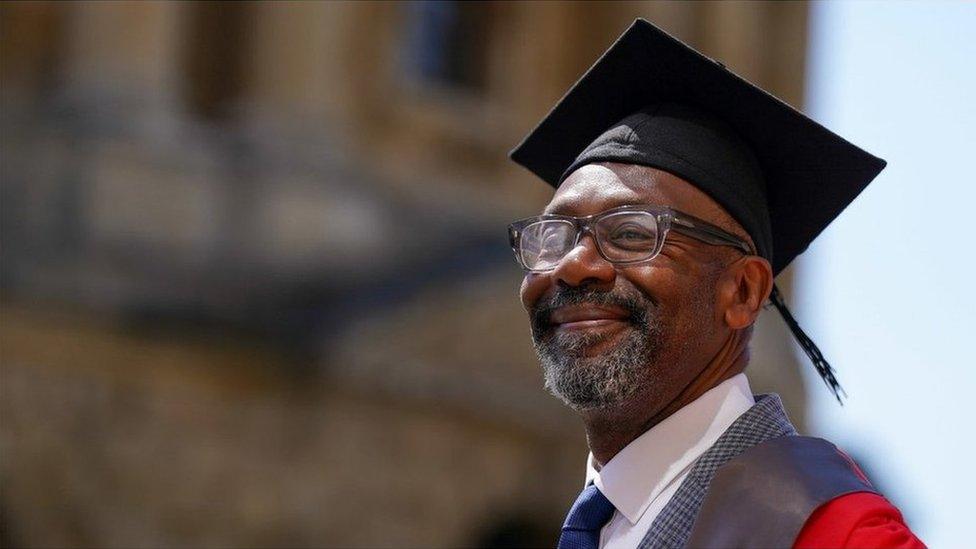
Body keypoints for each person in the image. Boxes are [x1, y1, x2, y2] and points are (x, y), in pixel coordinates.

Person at [506, 19, 924, 549]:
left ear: (744, 292)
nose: (573, 265)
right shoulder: (605, 527)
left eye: (632, 233)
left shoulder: (834, 535)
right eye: (555, 236)